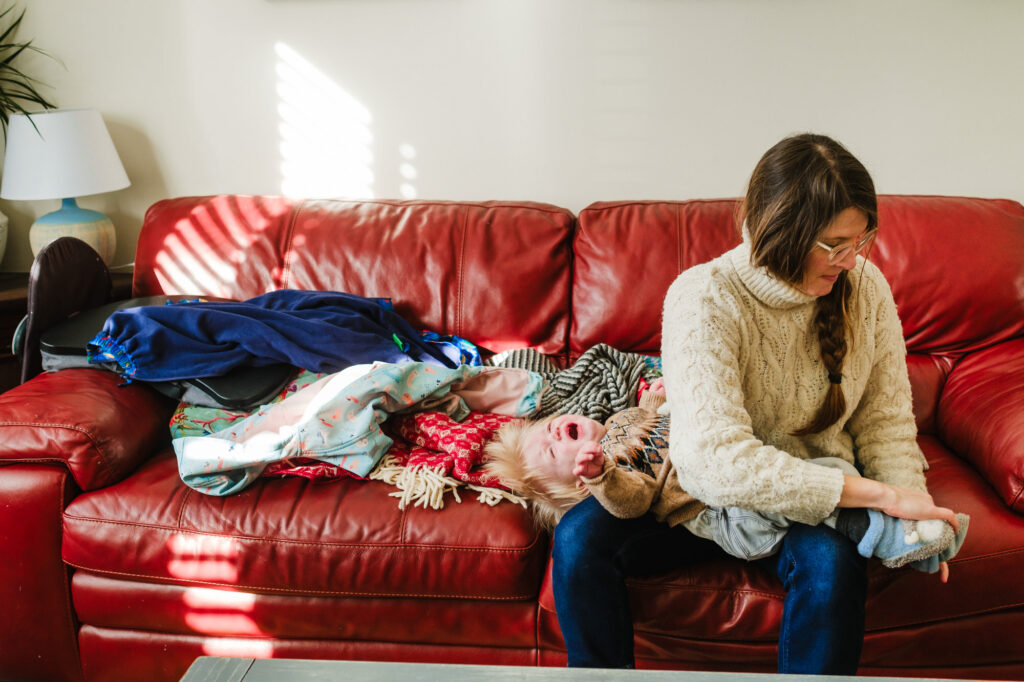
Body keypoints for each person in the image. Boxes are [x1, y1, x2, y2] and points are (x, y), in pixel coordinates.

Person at [548, 133, 966, 674]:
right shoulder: (704, 296)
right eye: (832, 244)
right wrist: (880, 496)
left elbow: (885, 420)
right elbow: (710, 463)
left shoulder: (865, 288)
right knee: (579, 538)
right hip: (695, 499)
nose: (849, 260)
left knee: (833, 566)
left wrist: (917, 521)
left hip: (807, 492)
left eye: (859, 242)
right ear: (780, 231)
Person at [484, 378, 967, 568]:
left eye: (547, 428)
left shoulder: (620, 420)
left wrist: (656, 392)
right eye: (552, 452)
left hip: (737, 472)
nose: (554, 435)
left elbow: (658, 413)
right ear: (574, 485)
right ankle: (884, 534)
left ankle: (908, 536)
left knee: (831, 469)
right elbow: (631, 502)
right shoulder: (612, 467)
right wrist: (600, 476)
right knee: (782, 497)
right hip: (724, 513)